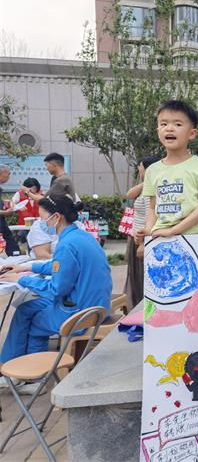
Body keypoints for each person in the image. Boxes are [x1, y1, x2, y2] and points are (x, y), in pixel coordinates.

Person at [0, 195, 112, 373]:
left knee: (36, 323)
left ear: (57, 217)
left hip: (79, 311)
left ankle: (33, 374)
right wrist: (24, 267)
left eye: (42, 217)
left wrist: (21, 279)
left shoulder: (66, 245)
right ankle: (9, 365)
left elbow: (56, 289)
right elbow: (59, 266)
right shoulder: (81, 236)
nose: (40, 222)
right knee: (25, 309)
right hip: (95, 304)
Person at [139, 101, 198, 238]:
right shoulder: (152, 170)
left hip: (193, 237)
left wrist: (173, 231)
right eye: (163, 124)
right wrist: (147, 231)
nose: (169, 129)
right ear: (158, 132)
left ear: (192, 133)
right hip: (159, 237)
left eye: (177, 124)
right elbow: (153, 208)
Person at [124, 155, 160, 308]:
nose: (139, 169)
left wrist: (143, 243)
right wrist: (147, 180)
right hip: (138, 238)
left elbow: (149, 216)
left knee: (141, 279)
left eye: (140, 166)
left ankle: (142, 310)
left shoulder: (150, 191)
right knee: (137, 278)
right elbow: (129, 195)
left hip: (143, 240)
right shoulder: (147, 186)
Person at [0, 164, 20, 256]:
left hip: (2, 223)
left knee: (12, 248)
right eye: (7, 173)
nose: (9, 175)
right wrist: (4, 212)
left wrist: (4, 203)